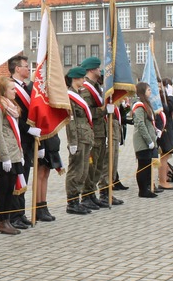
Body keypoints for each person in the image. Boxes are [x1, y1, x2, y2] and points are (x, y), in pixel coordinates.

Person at [80, 57, 122, 210]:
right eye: (97, 68)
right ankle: (87, 195)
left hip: (101, 132)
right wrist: (104, 110)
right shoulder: (86, 89)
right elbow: (87, 112)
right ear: (91, 70)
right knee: (91, 166)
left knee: (98, 165)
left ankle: (93, 195)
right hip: (93, 133)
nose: (100, 71)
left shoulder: (96, 87)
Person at [0, 76, 24, 234]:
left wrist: (19, 153)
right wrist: (5, 157)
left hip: (14, 153)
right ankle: (1, 222)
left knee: (10, 189)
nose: (15, 91)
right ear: (3, 91)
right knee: (3, 189)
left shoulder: (12, 107)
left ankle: (8, 220)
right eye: (12, 89)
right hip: (4, 156)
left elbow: (15, 132)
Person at [8, 55, 34, 230]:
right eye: (25, 66)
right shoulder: (10, 88)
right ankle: (13, 215)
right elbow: (15, 116)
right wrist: (28, 129)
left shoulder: (27, 87)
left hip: (28, 139)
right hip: (18, 138)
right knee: (16, 177)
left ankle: (21, 212)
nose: (28, 69)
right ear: (17, 68)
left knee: (23, 176)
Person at [65, 66, 93, 215]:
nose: (84, 80)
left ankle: (78, 199)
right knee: (75, 170)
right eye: (82, 78)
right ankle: (72, 202)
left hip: (86, 136)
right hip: (78, 137)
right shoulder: (70, 96)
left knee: (83, 170)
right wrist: (73, 142)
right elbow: (71, 121)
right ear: (75, 78)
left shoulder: (79, 94)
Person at [132, 82, 159, 198]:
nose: (150, 91)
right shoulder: (139, 105)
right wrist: (149, 140)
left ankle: (147, 187)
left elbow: (148, 122)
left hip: (148, 139)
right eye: (148, 90)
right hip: (142, 140)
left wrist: (155, 131)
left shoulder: (146, 104)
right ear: (142, 91)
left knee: (147, 165)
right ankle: (142, 190)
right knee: (143, 165)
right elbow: (140, 123)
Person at [156, 79, 173, 190]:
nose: (161, 88)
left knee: (166, 155)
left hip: (167, 127)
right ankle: (162, 181)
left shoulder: (161, 96)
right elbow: (168, 109)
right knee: (164, 156)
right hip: (163, 129)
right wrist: (170, 96)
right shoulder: (158, 97)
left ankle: (164, 178)